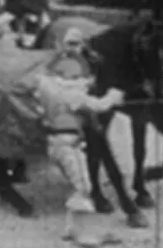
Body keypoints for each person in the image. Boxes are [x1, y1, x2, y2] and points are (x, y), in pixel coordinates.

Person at [28, 26, 123, 246]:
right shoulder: (72, 94)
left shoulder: (47, 86)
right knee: (85, 187)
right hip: (68, 143)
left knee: (77, 184)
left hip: (56, 144)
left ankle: (71, 229)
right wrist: (114, 95)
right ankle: (86, 235)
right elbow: (99, 105)